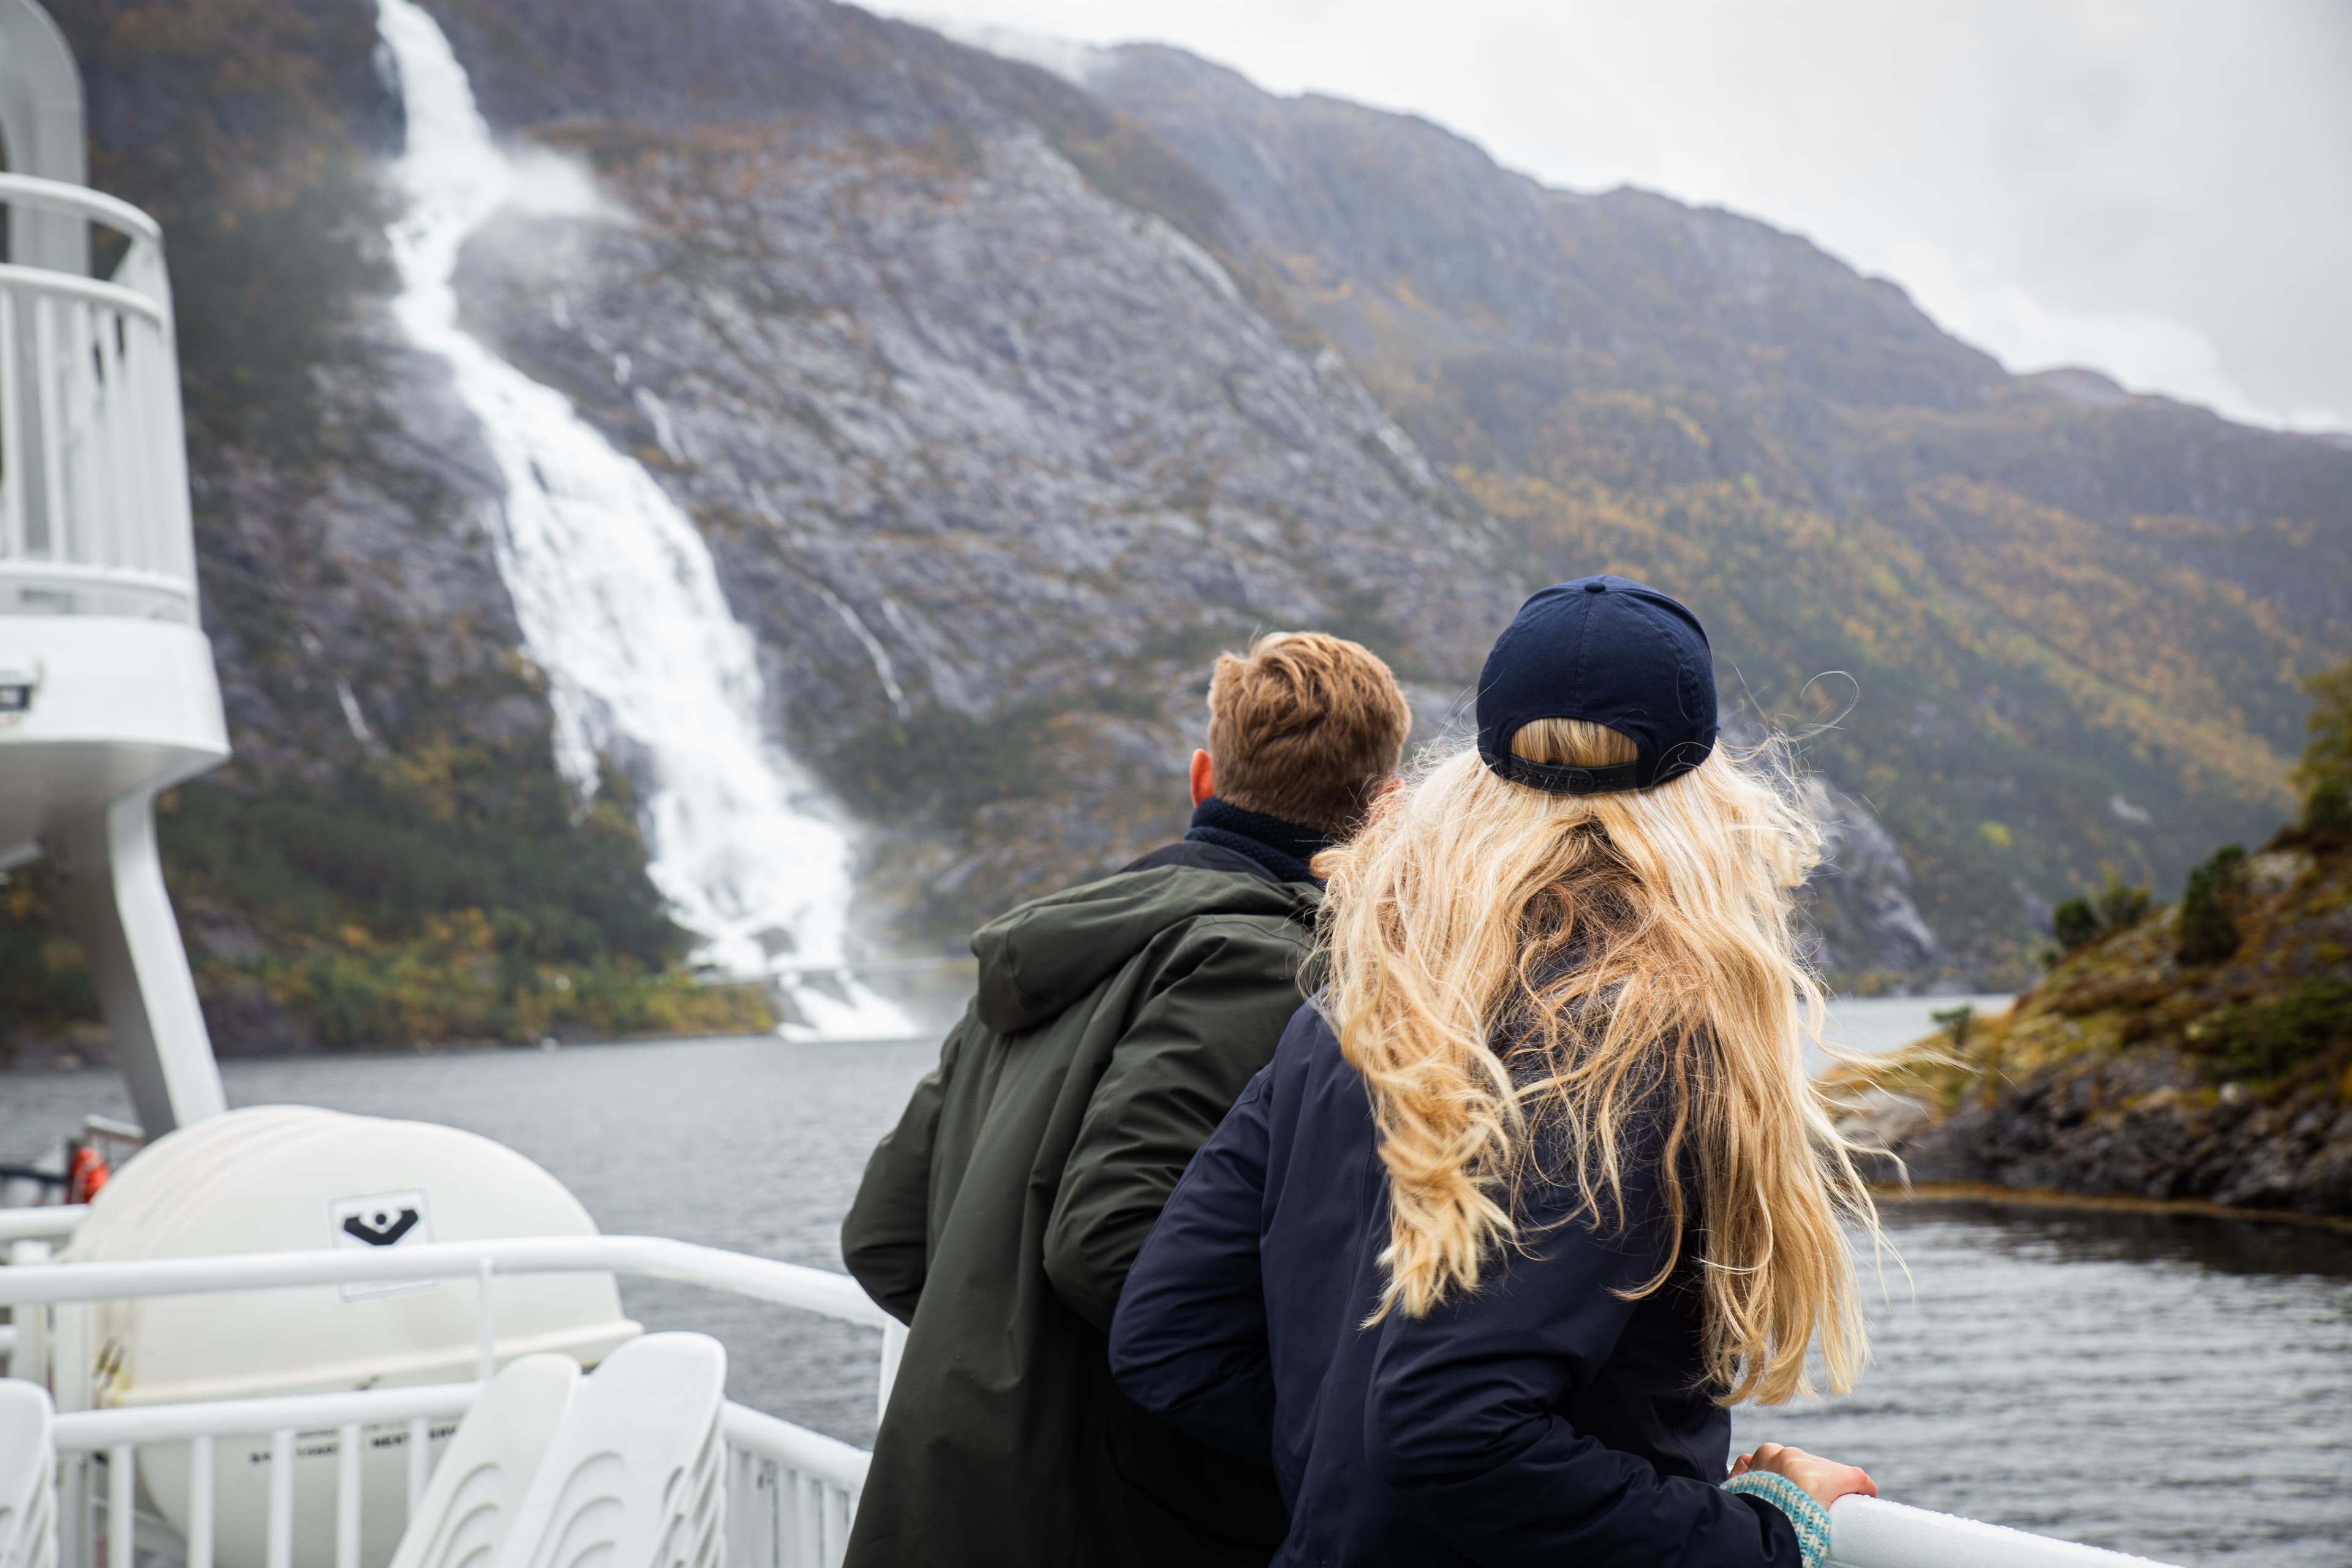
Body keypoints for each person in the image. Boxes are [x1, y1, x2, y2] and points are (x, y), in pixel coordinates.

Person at [1110, 576, 1881, 1568]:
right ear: (1704, 795)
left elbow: (1168, 1341)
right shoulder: (1633, 1034)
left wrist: (1344, 1475)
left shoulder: (1363, 1004)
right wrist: (1768, 1535)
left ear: (1479, 776)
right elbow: (1447, 1429)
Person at [839, 632, 1414, 1568]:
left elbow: (883, 1237)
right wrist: (1303, 1426)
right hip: (1112, 1528)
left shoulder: (1053, 954)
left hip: (941, 1505)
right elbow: (1107, 1241)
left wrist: (1006, 1377)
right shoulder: (1267, 967)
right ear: (1388, 812)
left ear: (1202, 779)